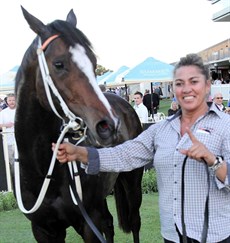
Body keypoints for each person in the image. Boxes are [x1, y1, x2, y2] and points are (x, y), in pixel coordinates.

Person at [53, 54, 230, 242]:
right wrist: (80, 153)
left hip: (214, 236)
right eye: (179, 83)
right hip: (172, 235)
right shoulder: (161, 130)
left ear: (207, 85)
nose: (186, 89)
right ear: (173, 88)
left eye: (194, 81)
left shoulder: (226, 126)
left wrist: (213, 160)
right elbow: (125, 154)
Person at [0, 93, 16, 171]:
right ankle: (13, 180)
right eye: (10, 100)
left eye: (13, 100)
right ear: (7, 101)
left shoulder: (21, 111)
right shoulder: (3, 112)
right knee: (10, 162)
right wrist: (6, 125)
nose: (12, 102)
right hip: (8, 142)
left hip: (19, 141)